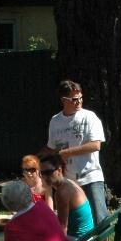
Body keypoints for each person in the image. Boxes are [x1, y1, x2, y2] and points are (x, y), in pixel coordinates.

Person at [46, 80, 107, 225]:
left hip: (91, 177)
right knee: (76, 222)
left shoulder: (89, 117)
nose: (78, 102)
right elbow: (51, 148)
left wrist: (66, 153)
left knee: (100, 221)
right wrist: (35, 160)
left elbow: (96, 145)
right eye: (74, 99)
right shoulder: (55, 121)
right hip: (69, 181)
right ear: (63, 100)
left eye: (80, 98)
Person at [37, 148, 94, 239]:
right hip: (87, 240)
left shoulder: (61, 192)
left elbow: (62, 229)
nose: (44, 177)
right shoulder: (70, 182)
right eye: (42, 173)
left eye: (48, 172)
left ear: (59, 170)